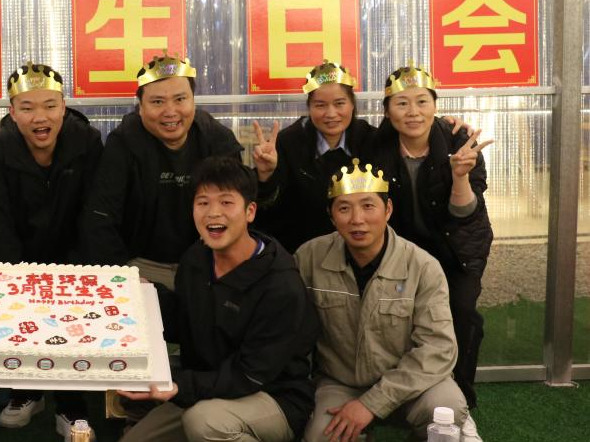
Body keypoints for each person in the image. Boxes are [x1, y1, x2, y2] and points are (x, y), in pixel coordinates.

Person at [119, 156, 318, 442]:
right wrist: (146, 294)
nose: (213, 213)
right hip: (209, 385)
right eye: (203, 203)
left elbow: (250, 374)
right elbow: (185, 322)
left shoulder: (280, 285)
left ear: (250, 211)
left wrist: (179, 385)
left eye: (226, 202)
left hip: (271, 396)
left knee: (204, 422)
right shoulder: (196, 258)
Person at [294, 159, 482, 442]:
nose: (357, 219)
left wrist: (372, 403)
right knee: (322, 436)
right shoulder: (308, 259)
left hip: (411, 383)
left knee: (446, 409)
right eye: (344, 208)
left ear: (388, 209)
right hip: (341, 383)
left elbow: (438, 348)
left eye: (368, 206)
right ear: (331, 217)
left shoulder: (422, 266)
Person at [0, 61, 104, 437]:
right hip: (19, 258)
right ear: (12, 111)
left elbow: (94, 213)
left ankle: (71, 404)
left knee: (73, 316)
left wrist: (78, 273)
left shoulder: (88, 143)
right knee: (24, 312)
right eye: (27, 107)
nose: (40, 117)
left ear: (64, 107)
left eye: (50, 105)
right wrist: (20, 280)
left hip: (73, 257)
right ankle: (27, 391)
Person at [251, 60, 473, 255]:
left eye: (339, 103)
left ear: (352, 105)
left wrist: (445, 125)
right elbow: (267, 210)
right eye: (320, 105)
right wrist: (265, 175)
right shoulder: (288, 143)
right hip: (301, 250)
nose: (331, 114)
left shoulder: (371, 139)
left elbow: (412, 125)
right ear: (309, 107)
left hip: (361, 250)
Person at [370, 62, 494, 410]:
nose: (413, 112)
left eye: (422, 101)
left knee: (460, 314)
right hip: (403, 251)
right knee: (401, 318)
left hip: (457, 248)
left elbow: (465, 213)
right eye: (402, 103)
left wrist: (460, 175)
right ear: (388, 111)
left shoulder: (460, 141)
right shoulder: (376, 146)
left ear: (435, 106)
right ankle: (408, 393)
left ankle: (460, 398)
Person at [82, 51, 242, 292]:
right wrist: (122, 275)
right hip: (142, 265)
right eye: (157, 102)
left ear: (193, 100)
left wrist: (265, 176)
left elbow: (239, 208)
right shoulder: (124, 143)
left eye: (180, 99)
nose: (170, 111)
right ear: (140, 107)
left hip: (208, 261)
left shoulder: (215, 138)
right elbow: (100, 218)